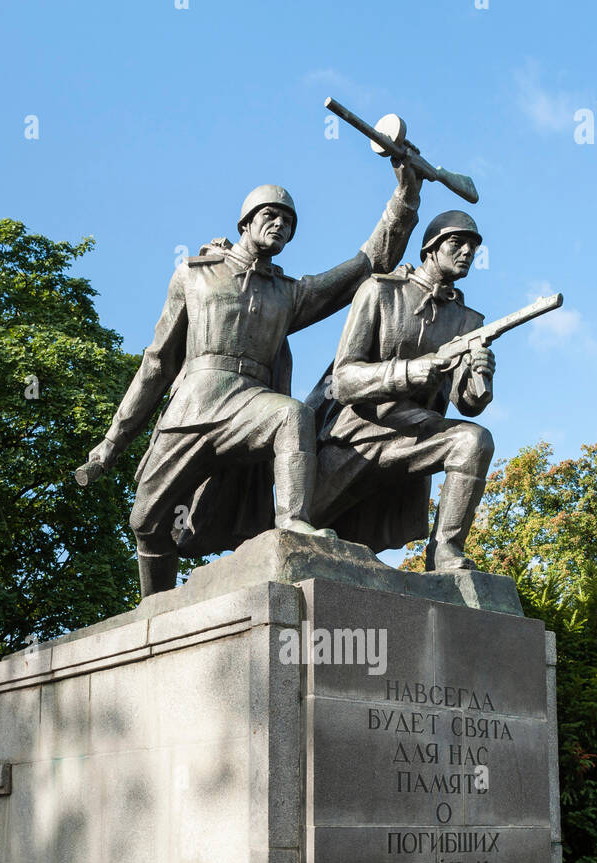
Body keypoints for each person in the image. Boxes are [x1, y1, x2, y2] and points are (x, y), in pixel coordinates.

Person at [80, 165, 421, 595]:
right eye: (271, 216)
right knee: (145, 521)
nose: (281, 225)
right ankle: (156, 610)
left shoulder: (289, 293)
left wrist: (405, 199)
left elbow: (366, 265)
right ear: (245, 222)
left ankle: (293, 523)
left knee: (292, 415)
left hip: (250, 404)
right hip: (192, 406)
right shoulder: (194, 273)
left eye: (289, 222)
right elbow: (157, 363)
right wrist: (112, 442)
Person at [310, 210, 495, 571]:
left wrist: (481, 380)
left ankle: (444, 551)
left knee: (474, 441)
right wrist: (412, 371)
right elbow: (344, 379)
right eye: (457, 243)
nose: (467, 252)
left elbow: (466, 403)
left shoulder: (468, 321)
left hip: (416, 430)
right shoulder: (381, 290)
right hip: (358, 432)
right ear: (430, 249)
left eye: (473, 247)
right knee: (302, 525)